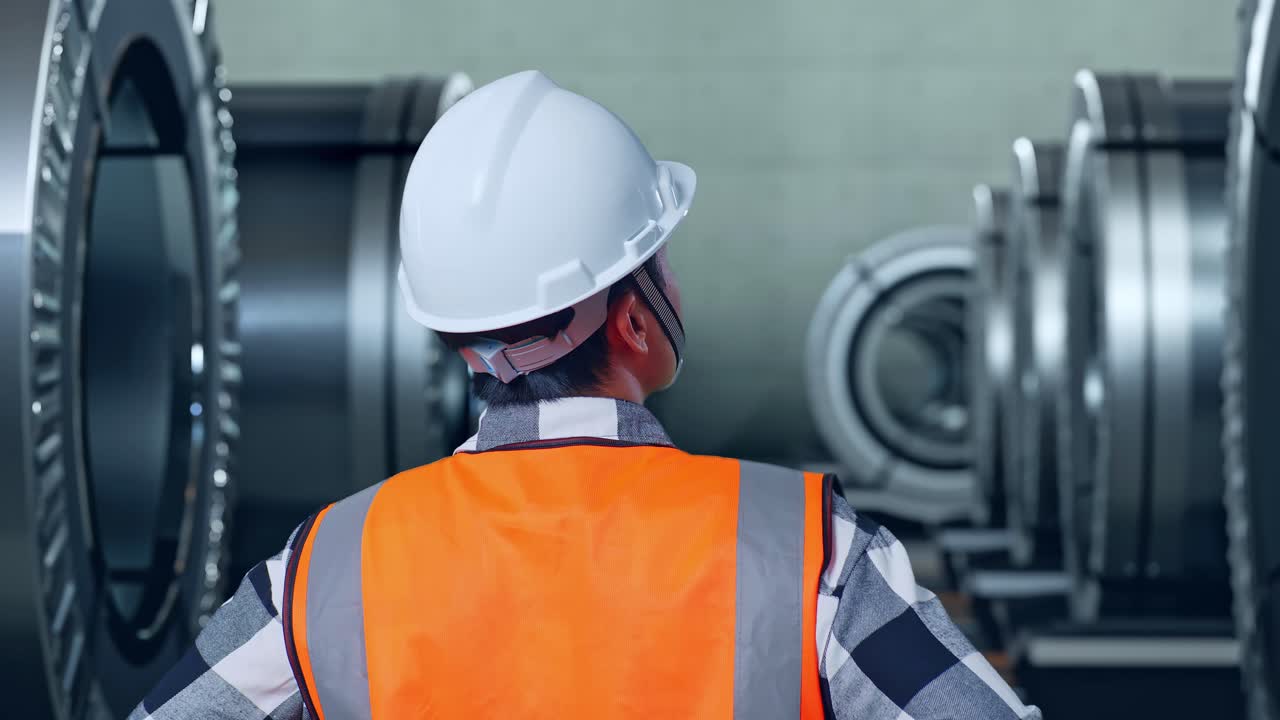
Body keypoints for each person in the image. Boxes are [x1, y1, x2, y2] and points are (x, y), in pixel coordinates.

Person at [131, 70, 1040, 720]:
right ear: (635, 323)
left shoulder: (325, 572)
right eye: (662, 266)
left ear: (455, 336)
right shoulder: (807, 551)